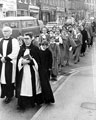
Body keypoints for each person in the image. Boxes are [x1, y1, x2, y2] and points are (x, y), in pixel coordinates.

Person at [16, 32, 43, 110]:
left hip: (33, 71)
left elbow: (39, 61)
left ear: (32, 39)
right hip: (23, 71)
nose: (26, 40)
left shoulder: (35, 48)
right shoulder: (21, 48)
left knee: (33, 85)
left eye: (27, 38)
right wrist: (21, 62)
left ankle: (33, 101)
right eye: (24, 39)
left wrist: (31, 61)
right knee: (24, 87)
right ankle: (23, 103)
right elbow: (18, 59)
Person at [0, 26, 20, 104]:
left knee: (9, 79)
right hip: (2, 63)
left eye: (7, 31)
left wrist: (6, 58)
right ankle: (4, 94)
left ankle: (9, 95)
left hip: (10, 63)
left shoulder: (14, 41)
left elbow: (15, 51)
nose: (5, 33)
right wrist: (1, 58)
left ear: (11, 32)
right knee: (3, 79)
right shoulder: (0, 40)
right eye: (4, 31)